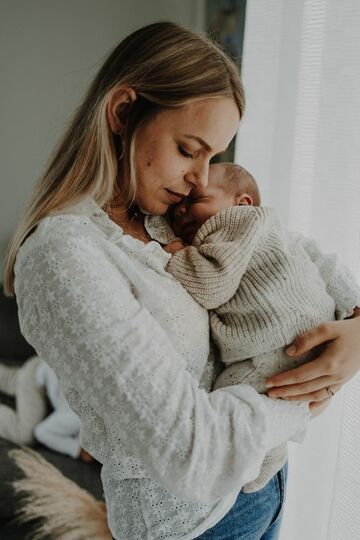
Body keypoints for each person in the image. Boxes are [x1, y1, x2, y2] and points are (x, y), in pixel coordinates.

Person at [3, 22, 360, 540]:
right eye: (189, 150)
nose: (201, 179)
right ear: (124, 112)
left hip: (266, 486)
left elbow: (290, 250)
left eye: (214, 157)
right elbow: (193, 456)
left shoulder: (168, 214)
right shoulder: (63, 256)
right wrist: (302, 400)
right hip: (192, 527)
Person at [163, 162, 360, 493]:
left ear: (242, 204)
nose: (181, 210)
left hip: (276, 347)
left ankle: (256, 474)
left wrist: (178, 257)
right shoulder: (270, 231)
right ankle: (266, 463)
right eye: (176, 208)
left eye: (196, 199)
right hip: (304, 342)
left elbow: (211, 284)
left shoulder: (235, 224)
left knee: (230, 412)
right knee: (263, 425)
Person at [0, 355, 97, 462]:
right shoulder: (78, 418)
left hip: (45, 362)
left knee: (15, 380)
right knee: (25, 435)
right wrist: (78, 450)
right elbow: (41, 432)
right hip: (35, 378)